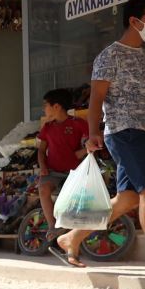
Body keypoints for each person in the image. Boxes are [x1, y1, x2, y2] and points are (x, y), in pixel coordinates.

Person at [55, 0, 145, 274]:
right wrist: (92, 133)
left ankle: (72, 237)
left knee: (129, 198)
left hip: (143, 132)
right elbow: (96, 98)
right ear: (134, 21)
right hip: (123, 132)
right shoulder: (110, 55)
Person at [34, 88, 89, 230]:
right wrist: (43, 167)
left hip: (75, 172)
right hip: (52, 172)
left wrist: (82, 152)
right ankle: (53, 226)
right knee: (43, 190)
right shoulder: (47, 127)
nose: (44, 109)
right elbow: (41, 151)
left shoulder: (78, 123)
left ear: (56, 106)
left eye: (46, 105)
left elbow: (93, 144)